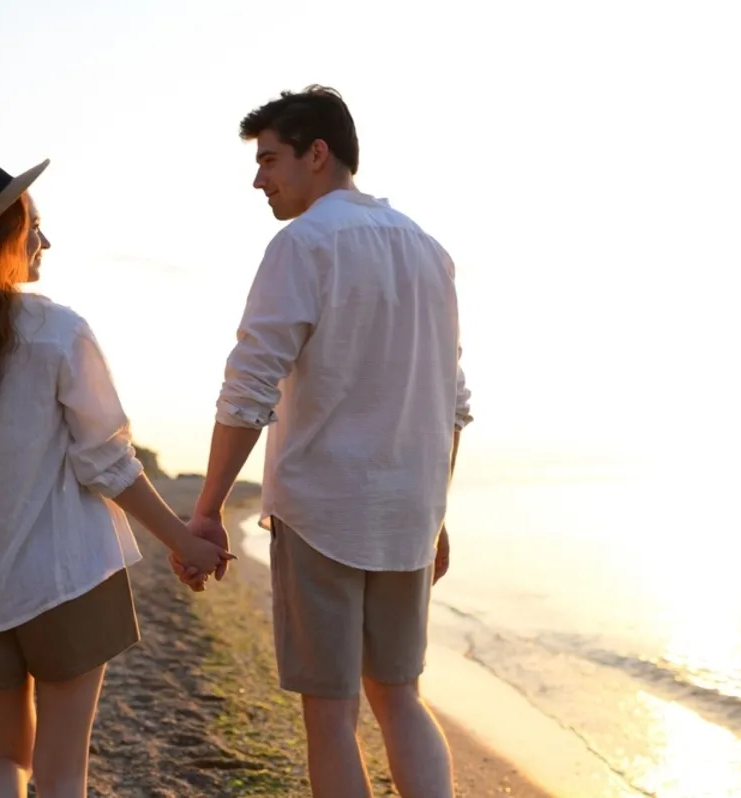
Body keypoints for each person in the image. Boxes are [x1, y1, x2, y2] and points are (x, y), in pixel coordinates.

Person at [0, 154, 232, 798]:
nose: (45, 239)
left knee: (2, 760)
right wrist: (182, 540)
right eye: (33, 226)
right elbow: (106, 461)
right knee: (63, 773)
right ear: (1, 239)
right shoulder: (57, 332)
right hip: (65, 578)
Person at [171, 86, 473, 797]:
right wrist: (436, 512)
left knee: (331, 715)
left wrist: (208, 508)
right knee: (400, 696)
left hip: (324, 512)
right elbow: (452, 405)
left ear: (317, 154)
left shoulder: (303, 243)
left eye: (268, 159)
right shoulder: (430, 252)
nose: (259, 180)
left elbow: (248, 387)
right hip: (407, 513)